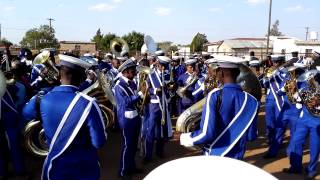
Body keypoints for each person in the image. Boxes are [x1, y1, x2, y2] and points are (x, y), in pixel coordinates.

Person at [22, 54, 107, 180]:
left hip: (55, 168)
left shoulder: (41, 98)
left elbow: (26, 114)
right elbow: (99, 142)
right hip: (85, 169)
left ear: (61, 74)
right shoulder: (89, 103)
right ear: (78, 76)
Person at [180, 56, 259, 159]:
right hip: (238, 157)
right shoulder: (252, 101)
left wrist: (185, 138)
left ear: (221, 73)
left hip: (215, 156)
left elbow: (207, 133)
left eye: (217, 71)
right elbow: (251, 136)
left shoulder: (215, 95)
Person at [283, 70, 320, 179]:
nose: (314, 82)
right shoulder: (308, 88)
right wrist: (292, 89)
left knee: (315, 146)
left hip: (318, 121)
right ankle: (295, 167)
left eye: (316, 80)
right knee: (295, 141)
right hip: (304, 119)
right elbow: (296, 100)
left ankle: (311, 170)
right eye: (314, 80)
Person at [113, 59, 144, 177]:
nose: (135, 73)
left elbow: (136, 99)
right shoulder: (119, 86)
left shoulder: (132, 83)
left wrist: (142, 98)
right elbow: (126, 102)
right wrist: (140, 94)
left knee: (133, 145)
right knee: (127, 145)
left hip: (135, 117)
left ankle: (131, 166)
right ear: (125, 71)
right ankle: (123, 171)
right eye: (133, 71)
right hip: (126, 120)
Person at [143, 56, 173, 163]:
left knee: (161, 130)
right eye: (162, 66)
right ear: (158, 65)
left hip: (164, 105)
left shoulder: (166, 75)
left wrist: (170, 88)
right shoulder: (150, 75)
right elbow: (146, 89)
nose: (164, 68)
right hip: (154, 106)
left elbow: (169, 89)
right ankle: (148, 155)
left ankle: (160, 151)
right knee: (150, 130)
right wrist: (156, 90)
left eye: (165, 66)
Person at [0, 72, 26, 179]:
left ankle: (2, 172)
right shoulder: (7, 91)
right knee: (14, 143)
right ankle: (19, 171)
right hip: (7, 119)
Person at [262, 55, 287, 158]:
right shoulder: (270, 70)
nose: (275, 64)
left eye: (277, 62)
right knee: (269, 122)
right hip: (270, 99)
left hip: (279, 100)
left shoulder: (286, 71)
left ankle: (274, 148)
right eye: (274, 62)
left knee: (279, 123)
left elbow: (286, 86)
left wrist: (278, 74)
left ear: (281, 62)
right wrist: (265, 78)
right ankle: (272, 140)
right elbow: (266, 85)